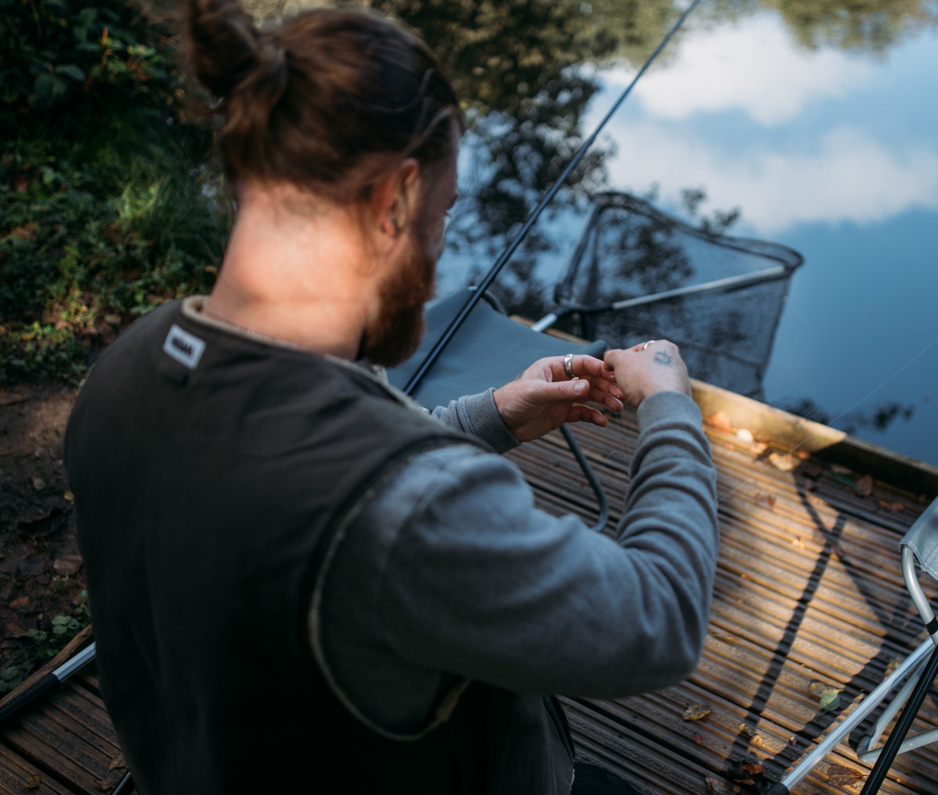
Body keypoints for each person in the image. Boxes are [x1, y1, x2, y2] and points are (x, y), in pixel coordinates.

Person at [62, 0, 718, 793]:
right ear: (396, 201)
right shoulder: (409, 513)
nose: (438, 254)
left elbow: (328, 486)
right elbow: (659, 617)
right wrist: (671, 408)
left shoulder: (125, 371)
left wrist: (491, 416)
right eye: (443, 213)